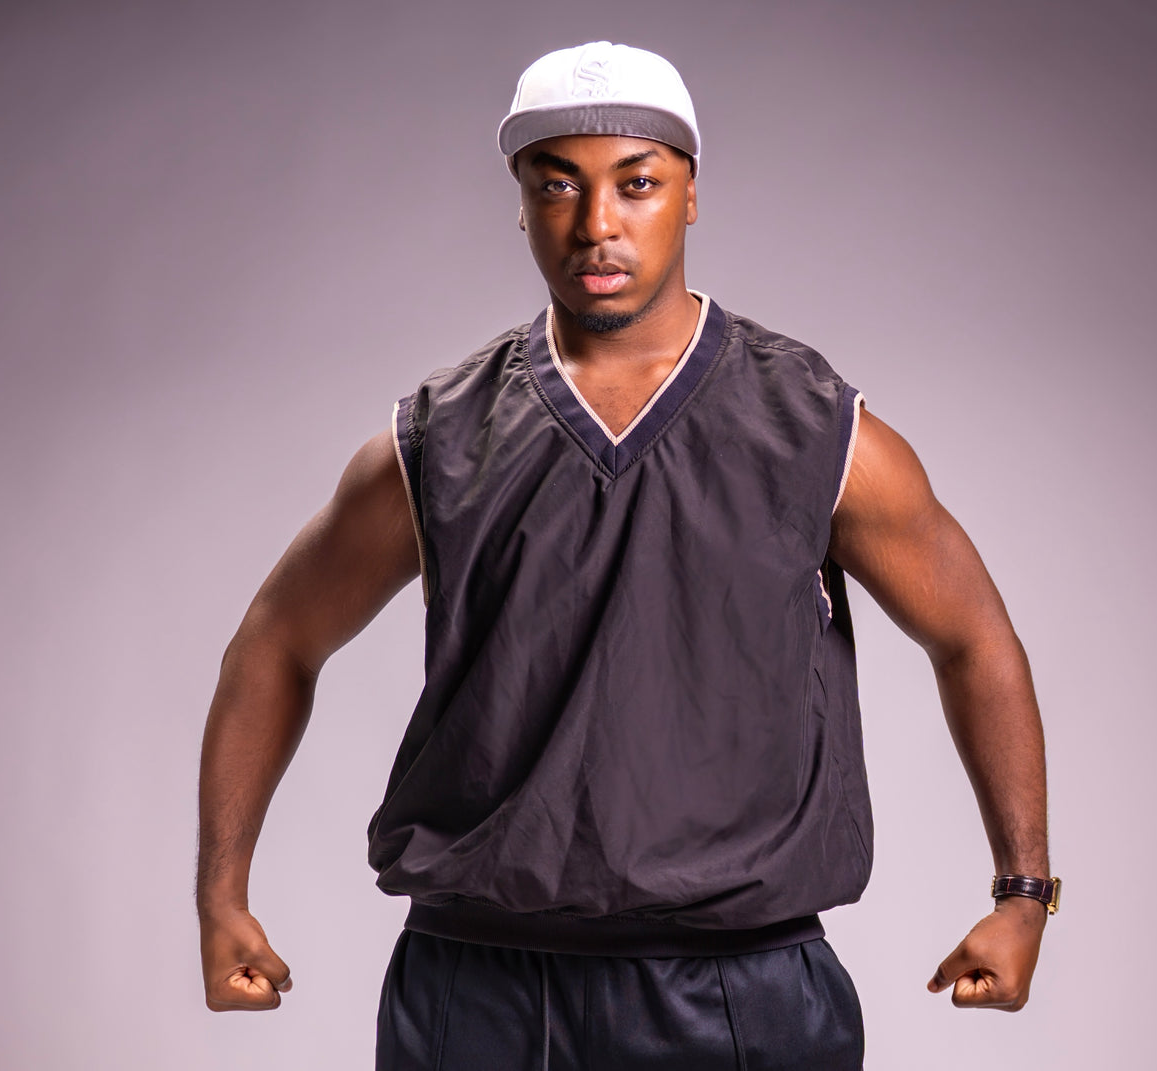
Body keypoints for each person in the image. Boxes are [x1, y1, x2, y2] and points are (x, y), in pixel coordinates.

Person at [196, 41, 1056, 1069]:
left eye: (635, 183)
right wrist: (221, 894)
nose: (596, 223)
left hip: (742, 985)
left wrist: (1023, 892)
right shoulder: (438, 440)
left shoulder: (818, 430)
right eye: (557, 185)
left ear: (690, 194)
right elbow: (276, 640)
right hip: (477, 984)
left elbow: (974, 637)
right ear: (522, 204)